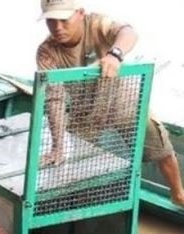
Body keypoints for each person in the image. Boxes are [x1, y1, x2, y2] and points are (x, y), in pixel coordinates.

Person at [36, 0, 184, 206]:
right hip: (84, 110)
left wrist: (115, 54)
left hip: (120, 98)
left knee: (160, 146)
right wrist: (57, 147)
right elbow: (55, 99)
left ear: (79, 13)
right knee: (76, 162)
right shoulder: (47, 51)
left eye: (63, 19)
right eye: (51, 21)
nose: (58, 28)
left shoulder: (96, 24)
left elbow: (128, 32)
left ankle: (178, 194)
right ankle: (84, 202)